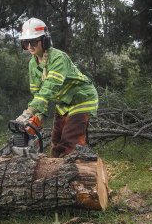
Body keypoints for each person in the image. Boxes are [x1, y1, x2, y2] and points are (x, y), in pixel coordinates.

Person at [16, 17, 98, 158]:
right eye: (26, 43)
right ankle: (53, 175)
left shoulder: (59, 58)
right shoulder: (32, 63)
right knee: (56, 142)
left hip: (82, 99)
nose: (29, 46)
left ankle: (75, 175)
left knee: (69, 142)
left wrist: (28, 112)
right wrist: (37, 117)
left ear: (44, 40)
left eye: (33, 42)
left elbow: (49, 88)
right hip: (63, 103)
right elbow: (38, 93)